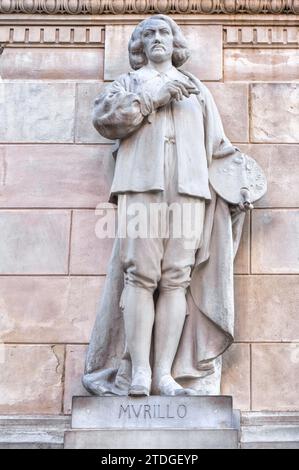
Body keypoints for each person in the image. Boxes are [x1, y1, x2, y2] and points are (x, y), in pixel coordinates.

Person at [82, 15, 253, 397]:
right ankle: (139, 371)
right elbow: (105, 120)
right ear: (139, 46)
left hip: (190, 190)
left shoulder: (198, 90)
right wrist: (151, 98)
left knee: (177, 278)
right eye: (149, 33)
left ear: (174, 43)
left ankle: (164, 374)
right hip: (141, 187)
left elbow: (219, 149)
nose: (157, 38)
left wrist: (240, 187)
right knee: (139, 277)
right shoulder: (127, 84)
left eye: (164, 32)